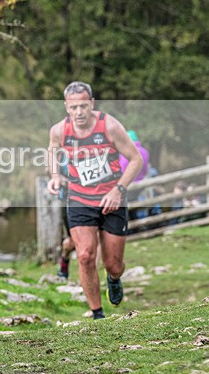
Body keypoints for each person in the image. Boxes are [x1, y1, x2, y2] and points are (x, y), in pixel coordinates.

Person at [47, 81, 143, 320]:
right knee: (85, 255)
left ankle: (114, 278)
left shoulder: (109, 126)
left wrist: (118, 190)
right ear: (66, 107)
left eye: (83, 106)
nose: (78, 113)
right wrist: (56, 176)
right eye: (73, 108)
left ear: (91, 103)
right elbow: (51, 151)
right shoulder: (59, 130)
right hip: (79, 197)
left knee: (113, 264)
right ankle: (97, 314)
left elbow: (135, 159)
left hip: (112, 197)